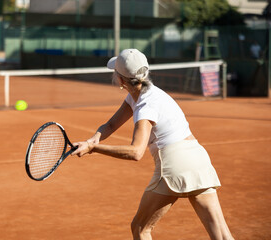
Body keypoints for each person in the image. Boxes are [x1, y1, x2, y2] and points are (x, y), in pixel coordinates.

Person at [71, 49, 234, 240]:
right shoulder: (145, 94)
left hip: (175, 164)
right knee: (221, 234)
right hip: (198, 158)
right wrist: (92, 140)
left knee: (141, 228)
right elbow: (111, 124)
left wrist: (94, 149)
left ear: (122, 80)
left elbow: (136, 152)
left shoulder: (145, 107)